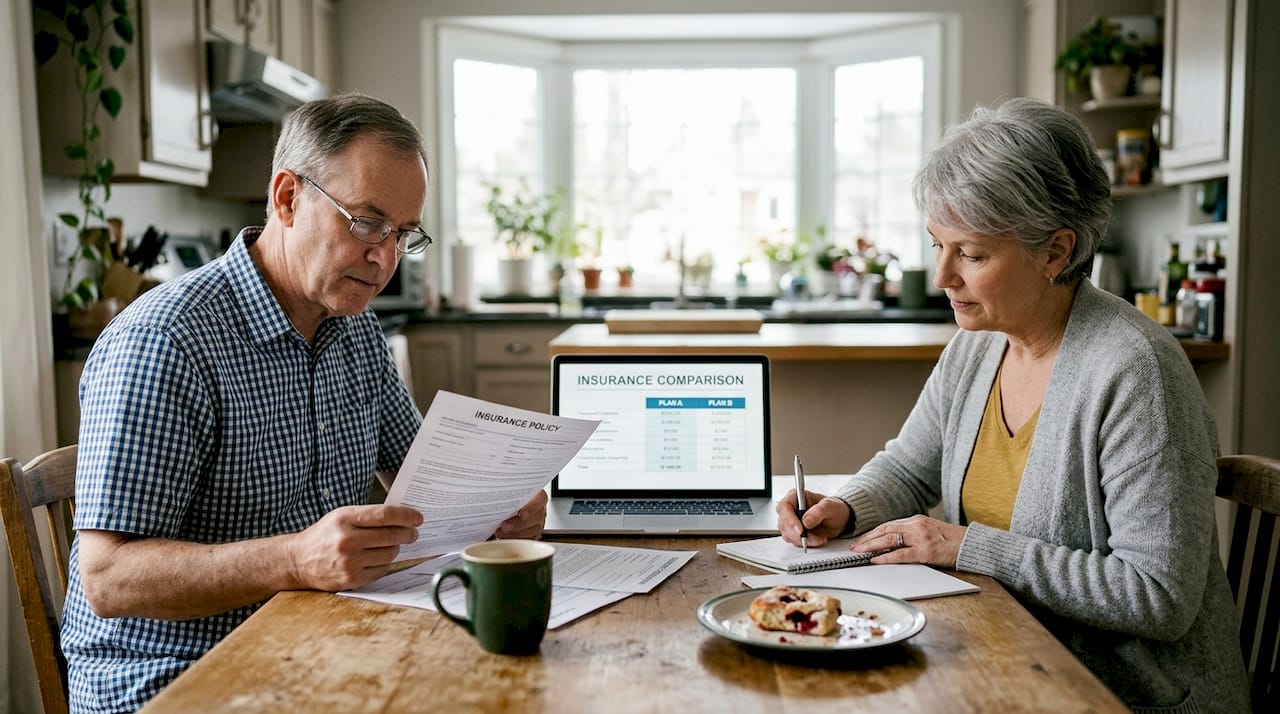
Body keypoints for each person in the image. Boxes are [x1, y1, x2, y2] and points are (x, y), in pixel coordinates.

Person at [61, 93, 549, 713]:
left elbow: (421, 476)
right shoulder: (165, 343)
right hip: (173, 678)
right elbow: (108, 579)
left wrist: (495, 507)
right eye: (367, 221)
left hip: (314, 639)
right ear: (288, 197)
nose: (384, 259)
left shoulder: (355, 330)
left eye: (402, 234)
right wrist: (294, 559)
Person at [777, 97, 1249, 712]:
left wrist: (965, 546)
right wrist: (842, 507)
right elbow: (909, 467)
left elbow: (1156, 595)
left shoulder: (1137, 371)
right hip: (1008, 658)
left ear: (1055, 252)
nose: (943, 274)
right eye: (937, 244)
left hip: (1121, 695)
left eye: (971, 254)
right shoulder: (979, 348)